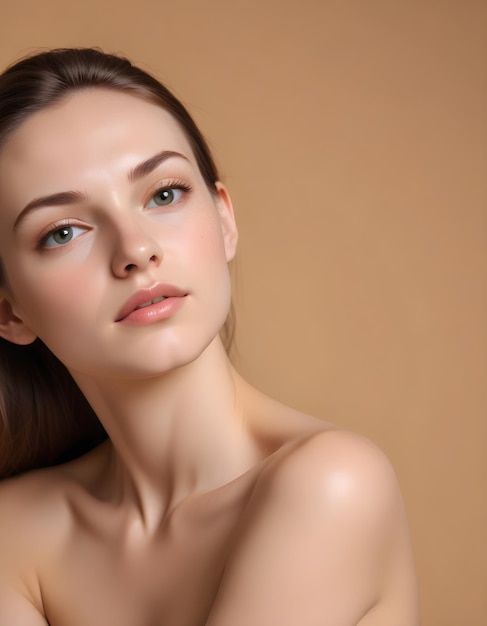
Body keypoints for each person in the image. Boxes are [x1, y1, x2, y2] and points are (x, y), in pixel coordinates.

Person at [0, 48, 419, 625]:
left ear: (224, 221)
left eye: (163, 194)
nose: (136, 250)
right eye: (63, 231)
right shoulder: (14, 533)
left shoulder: (331, 485)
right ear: (9, 311)